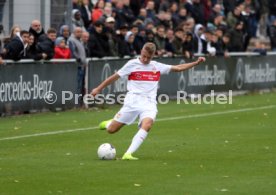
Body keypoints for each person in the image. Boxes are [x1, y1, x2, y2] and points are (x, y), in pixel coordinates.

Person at [90, 42, 206, 160]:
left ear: (153, 56)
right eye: (144, 56)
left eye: (148, 58)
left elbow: (178, 68)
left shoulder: (156, 66)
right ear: (141, 51)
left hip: (149, 103)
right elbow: (114, 77)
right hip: (132, 102)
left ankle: (128, 154)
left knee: (148, 124)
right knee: (111, 130)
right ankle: (109, 123)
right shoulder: (132, 64)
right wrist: (98, 89)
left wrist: (196, 63)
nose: (145, 59)